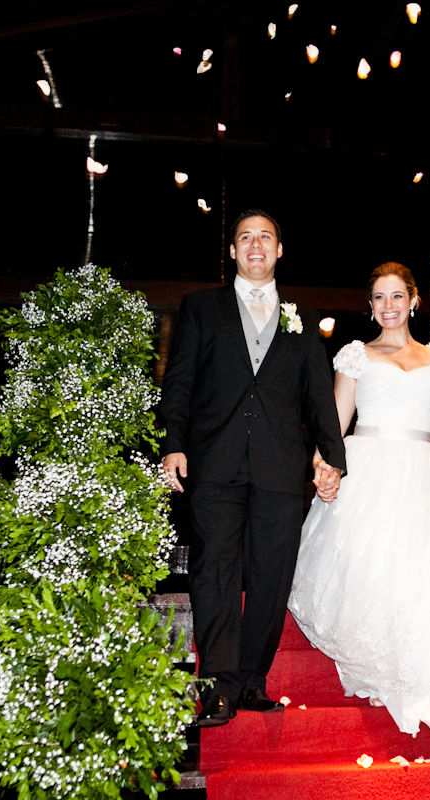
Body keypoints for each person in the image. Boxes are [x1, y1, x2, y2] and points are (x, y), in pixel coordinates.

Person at [287, 262, 430, 748]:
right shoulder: (356, 357)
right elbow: (335, 422)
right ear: (370, 307)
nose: (387, 306)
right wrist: (323, 468)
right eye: (378, 298)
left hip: (425, 477)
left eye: (396, 296)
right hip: (370, 473)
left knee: (425, 586)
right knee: (383, 582)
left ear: (413, 300)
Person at [158, 209, 347, 727]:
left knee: (271, 574)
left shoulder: (303, 315)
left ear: (279, 249)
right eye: (246, 238)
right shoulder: (201, 307)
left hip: (280, 465)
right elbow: (179, 382)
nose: (256, 245)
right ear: (234, 251)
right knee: (213, 570)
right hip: (213, 461)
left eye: (266, 236)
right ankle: (216, 687)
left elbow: (318, 395)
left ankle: (251, 681)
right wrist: (174, 443)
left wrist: (331, 456)